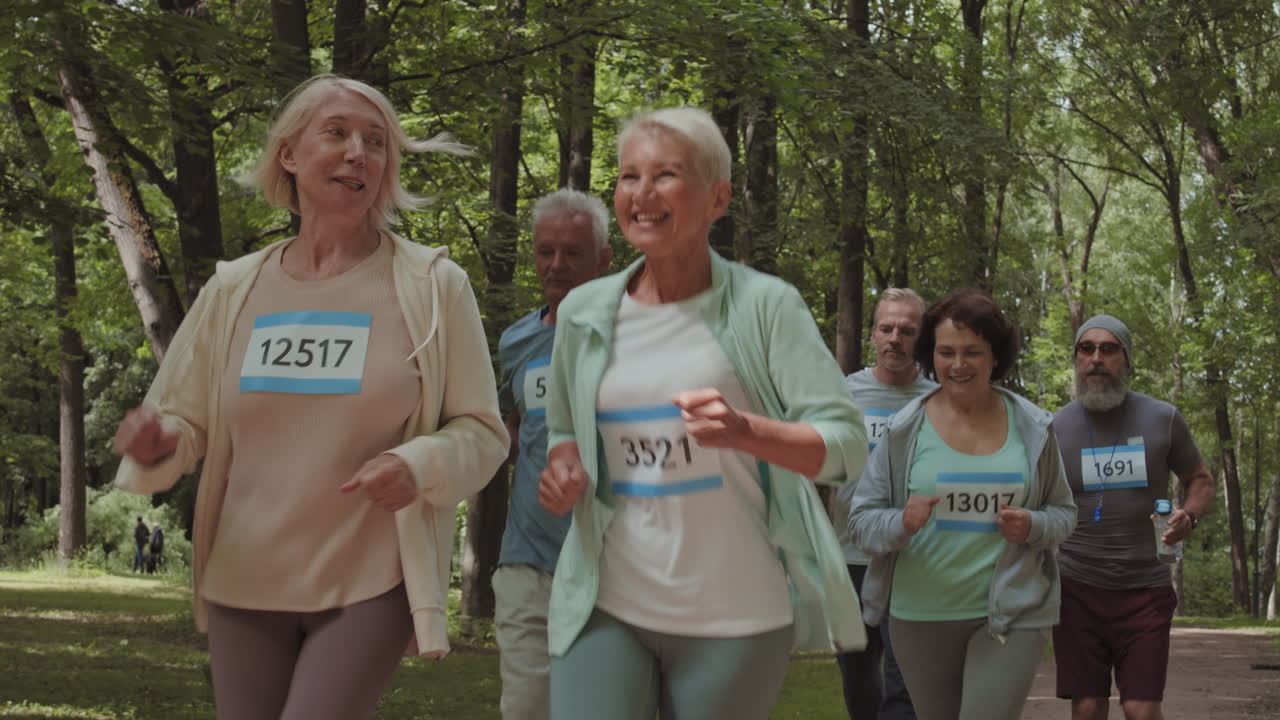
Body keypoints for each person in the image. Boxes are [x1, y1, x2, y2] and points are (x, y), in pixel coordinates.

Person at [111, 74, 508, 720]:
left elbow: (485, 433)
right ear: (288, 154)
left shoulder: (433, 285)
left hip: (368, 576)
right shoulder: (234, 289)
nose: (359, 152)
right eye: (338, 133)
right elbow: (182, 420)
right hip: (245, 571)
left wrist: (419, 464)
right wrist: (160, 442)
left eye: (376, 142)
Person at [537, 106, 869, 720]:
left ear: (718, 198)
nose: (642, 194)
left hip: (736, 614)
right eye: (629, 176)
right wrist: (564, 469)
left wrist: (748, 432)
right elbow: (564, 428)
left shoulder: (767, 306)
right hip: (605, 599)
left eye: (666, 174)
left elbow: (847, 447)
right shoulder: (583, 312)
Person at [848, 288, 1076, 720]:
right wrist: (902, 521)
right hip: (920, 614)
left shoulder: (1034, 428)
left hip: (1011, 613)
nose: (957, 365)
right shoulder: (903, 429)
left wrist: (1032, 526)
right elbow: (861, 521)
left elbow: (1065, 515)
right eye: (945, 352)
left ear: (995, 356)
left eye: (972, 352)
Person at [1051, 314, 1215, 720]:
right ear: (1075, 360)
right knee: (1086, 709)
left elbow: (1201, 479)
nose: (1096, 358)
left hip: (1145, 588)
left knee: (1141, 709)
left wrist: (1189, 516)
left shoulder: (1163, 418)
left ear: (1126, 359)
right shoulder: (1053, 427)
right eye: (1086, 349)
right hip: (1076, 588)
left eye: (1109, 349)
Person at [494, 188, 611, 720]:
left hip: (613, 564)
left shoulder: (633, 336)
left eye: (573, 253)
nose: (556, 266)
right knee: (526, 708)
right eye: (545, 251)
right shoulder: (516, 341)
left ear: (604, 259)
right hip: (528, 561)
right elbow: (515, 431)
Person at [833, 288, 934, 720]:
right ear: (873, 334)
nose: (895, 338)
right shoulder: (840, 395)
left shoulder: (937, 400)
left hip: (911, 559)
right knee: (858, 682)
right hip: (848, 556)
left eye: (907, 331)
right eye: (887, 328)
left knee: (905, 683)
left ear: (921, 339)